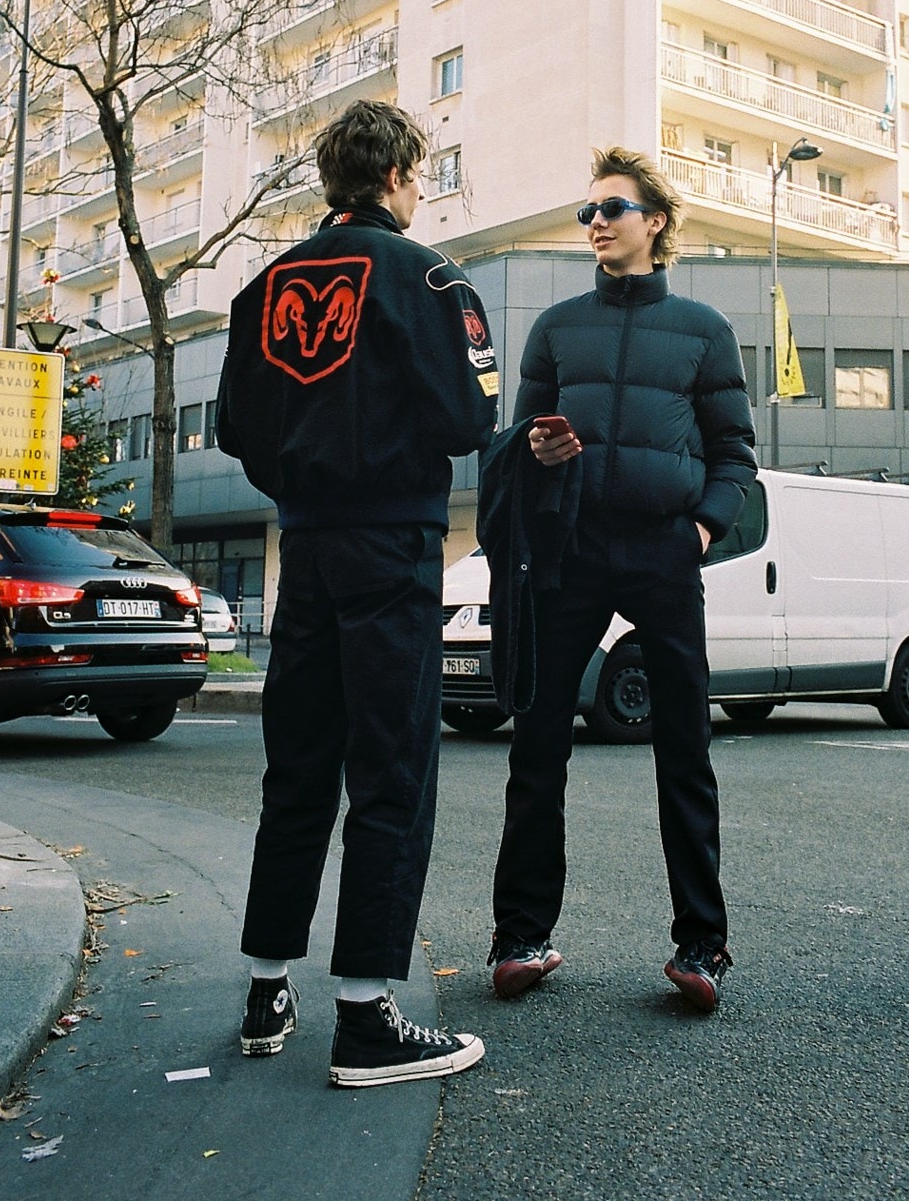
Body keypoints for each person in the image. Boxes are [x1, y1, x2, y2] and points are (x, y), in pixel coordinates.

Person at [216, 99, 499, 1087]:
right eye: (419, 175)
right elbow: (469, 418)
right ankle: (367, 1014)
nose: (420, 190)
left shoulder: (262, 287)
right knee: (390, 768)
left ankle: (265, 989)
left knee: (297, 765)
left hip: (305, 545)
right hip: (390, 543)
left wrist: (303, 479)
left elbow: (237, 428)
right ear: (396, 175)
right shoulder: (429, 279)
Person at [485, 147, 757, 1014]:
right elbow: (515, 443)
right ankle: (519, 936)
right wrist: (535, 449)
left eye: (612, 208)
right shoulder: (557, 327)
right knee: (537, 746)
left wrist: (700, 529)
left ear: (656, 222)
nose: (595, 223)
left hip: (662, 553)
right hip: (566, 553)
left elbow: (734, 454)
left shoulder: (703, 330)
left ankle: (701, 946)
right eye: (588, 212)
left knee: (684, 748)